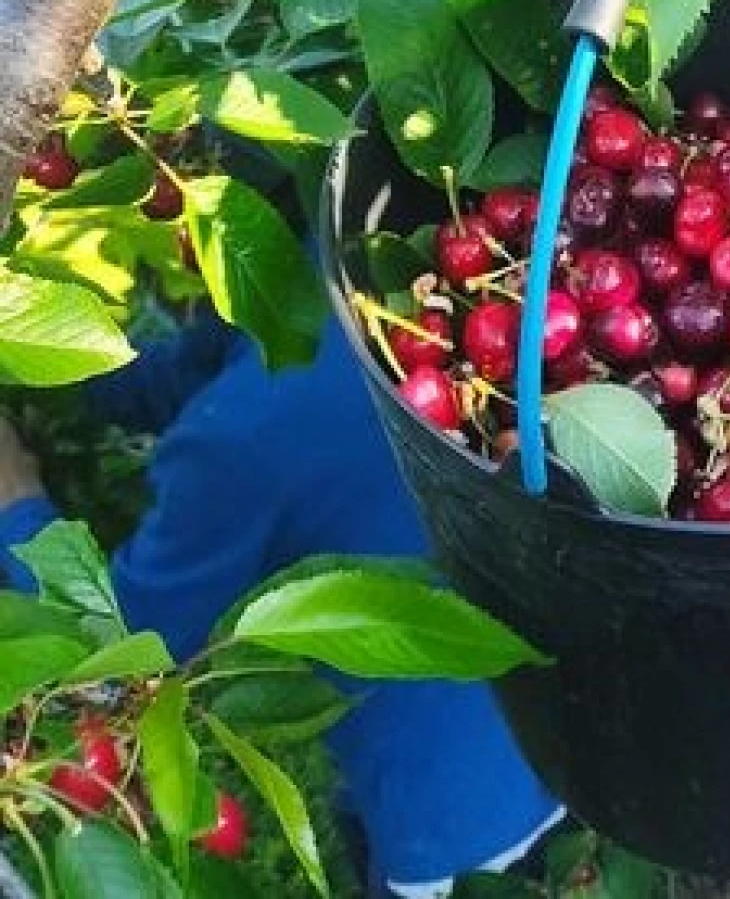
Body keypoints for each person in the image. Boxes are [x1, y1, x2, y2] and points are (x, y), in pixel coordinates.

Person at [0, 306, 561, 899]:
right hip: (554, 711)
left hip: (454, 814)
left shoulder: (233, 449)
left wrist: (16, 506)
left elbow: (116, 650)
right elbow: (187, 369)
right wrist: (45, 342)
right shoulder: (352, 287)